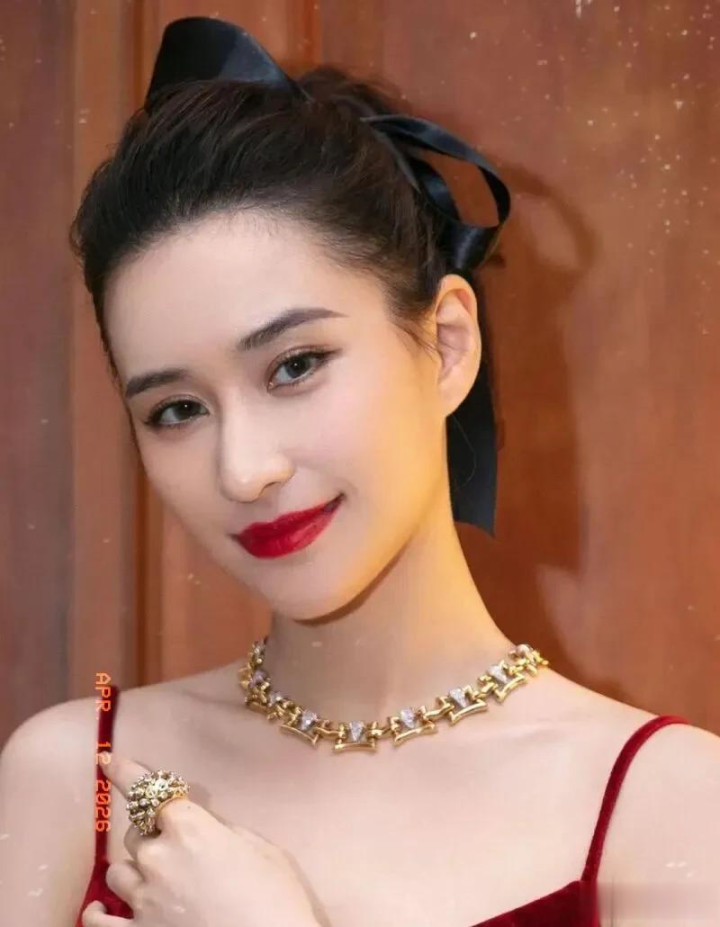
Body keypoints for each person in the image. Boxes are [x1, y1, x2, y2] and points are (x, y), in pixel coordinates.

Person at [1, 16, 719, 927]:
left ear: (445, 345)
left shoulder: (672, 808)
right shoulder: (79, 779)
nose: (245, 469)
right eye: (176, 409)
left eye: (295, 365)